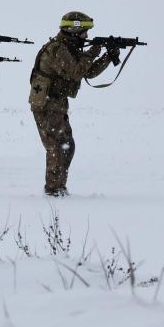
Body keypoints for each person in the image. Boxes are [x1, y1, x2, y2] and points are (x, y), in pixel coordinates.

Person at [29, 11, 119, 197]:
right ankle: (53, 189)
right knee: (56, 146)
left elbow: (89, 72)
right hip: (47, 103)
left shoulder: (69, 48)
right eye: (84, 32)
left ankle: (59, 186)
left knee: (66, 145)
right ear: (73, 30)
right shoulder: (57, 49)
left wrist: (108, 57)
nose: (87, 36)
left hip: (56, 103)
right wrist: (93, 52)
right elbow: (76, 72)